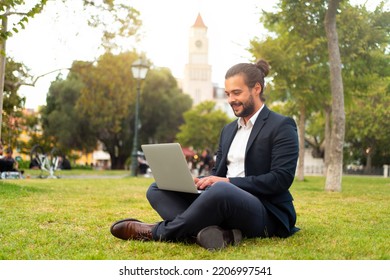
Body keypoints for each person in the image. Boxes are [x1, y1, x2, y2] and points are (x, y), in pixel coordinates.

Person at [110, 59, 299, 250]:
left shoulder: (281, 125)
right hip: (223, 199)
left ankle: (156, 232)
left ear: (256, 89)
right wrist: (199, 180)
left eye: (236, 92)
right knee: (157, 188)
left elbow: (280, 179)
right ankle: (211, 234)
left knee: (220, 190)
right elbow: (218, 173)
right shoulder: (228, 131)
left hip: (265, 211)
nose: (231, 99)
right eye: (227, 94)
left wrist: (228, 183)